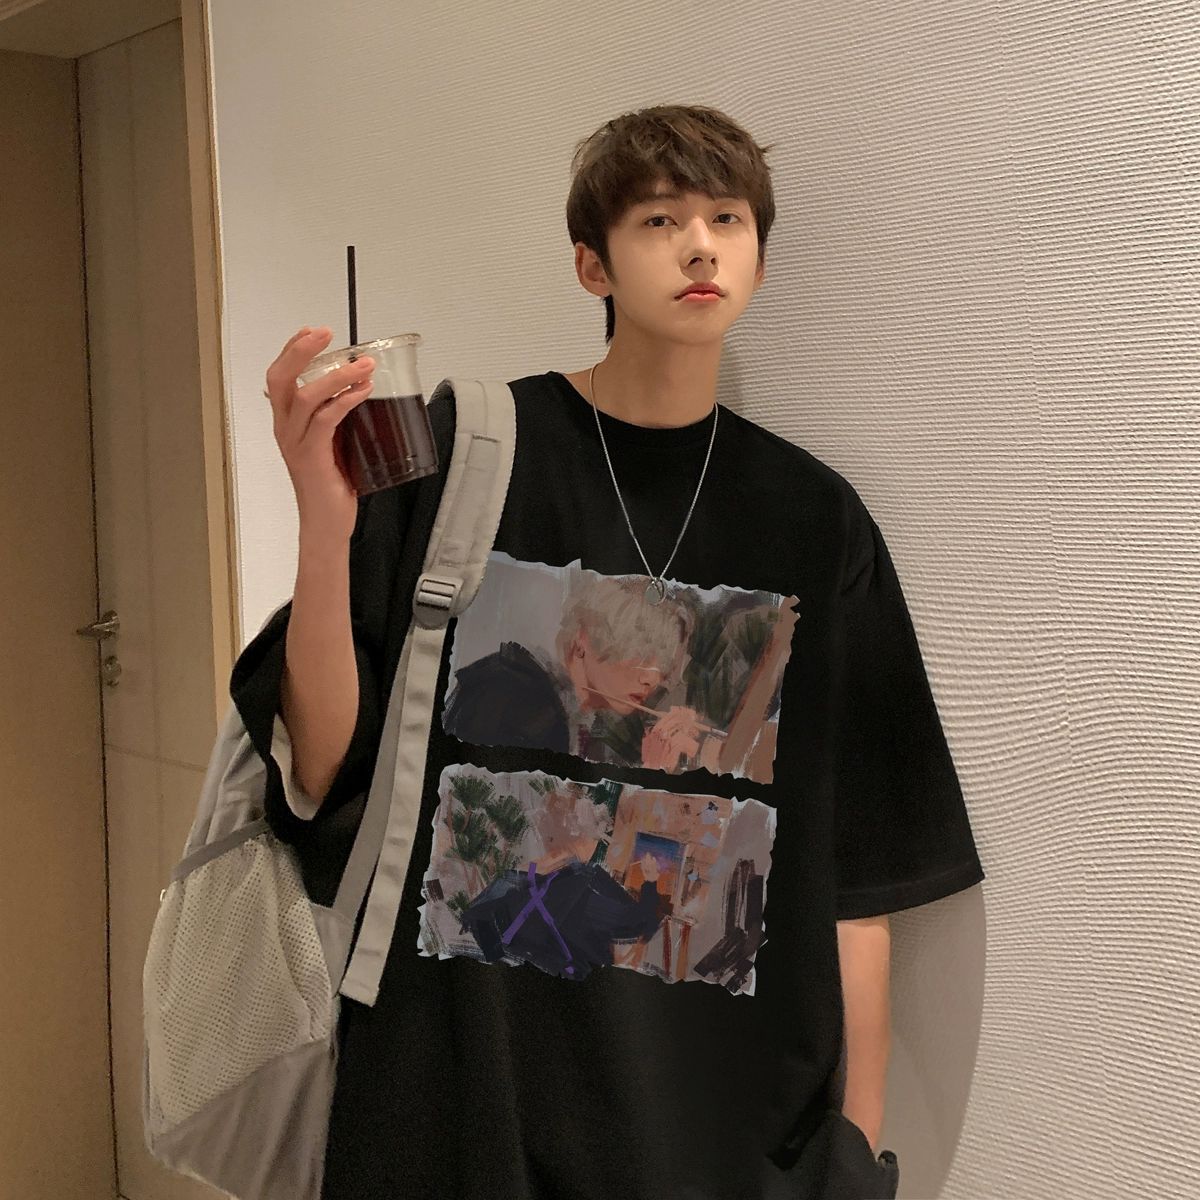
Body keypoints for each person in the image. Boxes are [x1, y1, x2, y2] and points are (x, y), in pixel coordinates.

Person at [235, 103, 985, 1199]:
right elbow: (318, 767)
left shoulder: (815, 522)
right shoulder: (467, 456)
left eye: (728, 219)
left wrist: (855, 1156)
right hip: (468, 1107)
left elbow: (860, 872)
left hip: (716, 1139)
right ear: (593, 264)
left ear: (760, 258)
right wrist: (323, 520)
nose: (700, 247)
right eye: (659, 220)